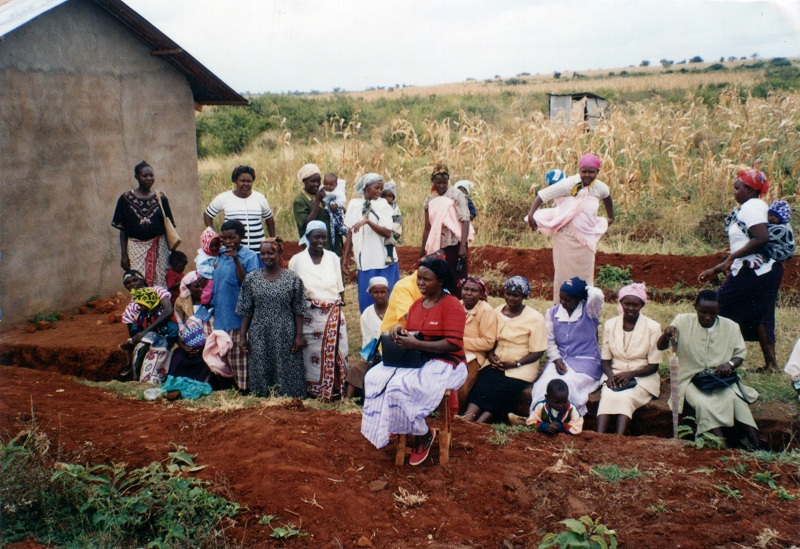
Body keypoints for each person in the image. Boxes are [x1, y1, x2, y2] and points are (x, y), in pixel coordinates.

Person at [361, 258, 468, 467]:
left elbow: (453, 344)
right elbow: (414, 333)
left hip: (448, 362)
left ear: (440, 281)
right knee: (374, 377)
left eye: (426, 279)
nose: (420, 283)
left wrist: (415, 343)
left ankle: (422, 434)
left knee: (402, 387)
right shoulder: (417, 305)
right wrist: (399, 332)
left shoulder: (452, 305)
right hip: (420, 359)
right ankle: (398, 424)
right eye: (418, 278)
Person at [699, 169, 783, 371]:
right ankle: (771, 365)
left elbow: (761, 238)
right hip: (759, 269)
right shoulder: (752, 207)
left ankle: (710, 358)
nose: (734, 192)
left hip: (755, 271)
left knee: (718, 307)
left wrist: (731, 258)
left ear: (749, 188)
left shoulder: (752, 207)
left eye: (737, 188)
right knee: (761, 316)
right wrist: (719, 267)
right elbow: (743, 244)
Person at [657, 290, 760, 448]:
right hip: (690, 379)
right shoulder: (682, 321)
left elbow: (740, 355)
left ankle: (757, 445)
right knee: (703, 404)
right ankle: (723, 448)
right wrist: (666, 334)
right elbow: (661, 346)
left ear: (719, 310)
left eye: (713, 313)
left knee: (737, 400)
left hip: (719, 379)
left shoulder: (731, 327)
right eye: (703, 312)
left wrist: (729, 365)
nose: (707, 317)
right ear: (695, 307)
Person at [526, 155, 614, 302]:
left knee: (585, 277)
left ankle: (584, 309)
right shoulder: (569, 184)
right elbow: (543, 195)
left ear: (597, 172)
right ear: (579, 170)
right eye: (583, 171)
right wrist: (531, 214)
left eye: (591, 172)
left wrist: (611, 218)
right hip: (565, 238)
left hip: (586, 241)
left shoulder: (600, 188)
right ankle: (561, 309)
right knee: (563, 276)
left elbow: (607, 199)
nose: (587, 175)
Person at [463, 276, 546, 423]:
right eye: (508, 293)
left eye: (516, 295)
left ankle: (480, 423)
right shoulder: (497, 311)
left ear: (524, 296)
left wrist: (516, 364)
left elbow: (537, 351)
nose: (511, 298)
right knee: (481, 383)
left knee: (501, 389)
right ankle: (468, 419)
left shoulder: (535, 318)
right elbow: (490, 339)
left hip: (520, 367)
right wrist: (490, 355)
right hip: (496, 362)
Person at [237, 238, 307, 398]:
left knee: (287, 364)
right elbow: (246, 310)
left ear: (280, 253)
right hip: (260, 331)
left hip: (285, 330)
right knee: (261, 363)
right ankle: (264, 397)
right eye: (262, 253)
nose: (266, 257)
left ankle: (289, 397)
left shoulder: (292, 279)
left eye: (270, 252)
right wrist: (242, 337)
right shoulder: (252, 279)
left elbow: (299, 310)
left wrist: (299, 335)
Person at [288, 221, 349, 400]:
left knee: (339, 350)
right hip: (309, 315)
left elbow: (340, 288)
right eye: (316, 237)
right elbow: (294, 291)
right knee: (311, 352)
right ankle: (314, 390)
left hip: (333, 312)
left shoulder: (333, 258)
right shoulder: (296, 260)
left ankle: (335, 389)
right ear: (307, 238)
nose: (320, 241)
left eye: (323, 237)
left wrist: (338, 311)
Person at [530, 277, 604, 415]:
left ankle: (565, 419)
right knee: (544, 385)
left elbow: (597, 295)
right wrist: (556, 359)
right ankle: (537, 417)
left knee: (568, 384)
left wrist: (584, 288)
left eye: (567, 299)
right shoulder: (552, 313)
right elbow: (550, 341)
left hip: (585, 362)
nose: (562, 302)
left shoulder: (590, 311)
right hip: (560, 360)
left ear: (579, 299)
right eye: (561, 298)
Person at [596, 283, 663, 435]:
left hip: (642, 378)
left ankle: (619, 439)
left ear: (642, 305)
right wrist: (611, 376)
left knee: (625, 397)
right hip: (616, 375)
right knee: (607, 395)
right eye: (627, 304)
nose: (631, 308)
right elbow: (605, 360)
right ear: (620, 303)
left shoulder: (653, 327)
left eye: (635, 305)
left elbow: (654, 366)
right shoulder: (610, 324)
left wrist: (630, 374)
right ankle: (598, 438)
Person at [210, 220, 260, 392]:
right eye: (225, 237)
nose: (228, 241)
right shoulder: (219, 255)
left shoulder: (250, 256)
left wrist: (236, 259)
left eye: (233, 237)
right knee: (221, 357)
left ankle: (244, 391)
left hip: (237, 316)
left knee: (239, 357)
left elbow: (248, 284)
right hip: (220, 315)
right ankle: (226, 389)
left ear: (242, 237)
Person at [112, 161, 175, 288]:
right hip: (136, 248)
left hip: (160, 248)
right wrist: (124, 255)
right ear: (136, 177)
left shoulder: (160, 198)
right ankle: (143, 308)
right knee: (138, 281)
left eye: (151, 175)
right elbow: (122, 229)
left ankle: (162, 307)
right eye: (144, 176)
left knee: (161, 280)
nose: (149, 178)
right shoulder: (125, 199)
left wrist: (173, 252)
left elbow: (169, 228)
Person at [343, 173, 400, 313]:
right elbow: (350, 232)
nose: (379, 192)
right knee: (367, 298)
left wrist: (368, 222)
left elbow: (387, 232)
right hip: (366, 260)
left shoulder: (383, 205)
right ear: (366, 187)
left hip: (384, 259)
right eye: (376, 188)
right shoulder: (354, 205)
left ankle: (388, 330)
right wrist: (345, 257)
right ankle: (369, 329)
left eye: (381, 189)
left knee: (387, 297)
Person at [420, 164, 473, 286]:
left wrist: (462, 246)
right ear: (433, 181)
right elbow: (427, 228)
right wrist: (423, 250)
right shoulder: (430, 199)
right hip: (437, 245)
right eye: (438, 182)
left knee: (456, 277)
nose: (442, 186)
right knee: (439, 278)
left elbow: (465, 220)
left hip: (455, 243)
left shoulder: (456, 195)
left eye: (445, 182)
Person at [120, 270, 177, 383]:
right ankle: (139, 377)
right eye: (127, 283)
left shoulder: (156, 291)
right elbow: (133, 333)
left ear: (142, 280)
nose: (132, 284)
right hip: (148, 341)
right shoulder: (130, 309)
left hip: (168, 336)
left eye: (135, 280)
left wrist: (145, 331)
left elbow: (168, 311)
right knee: (141, 350)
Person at [203, 165, 276, 254]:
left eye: (249, 181)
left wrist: (273, 238)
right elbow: (208, 214)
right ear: (235, 181)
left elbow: (269, 218)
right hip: (234, 251)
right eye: (242, 181)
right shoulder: (224, 198)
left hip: (257, 250)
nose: (246, 184)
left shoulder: (260, 198)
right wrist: (213, 234)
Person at [455, 277, 498, 413]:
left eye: (474, 290)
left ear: (481, 294)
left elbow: (488, 342)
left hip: (474, 355)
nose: (468, 293)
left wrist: (459, 342)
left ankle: (456, 415)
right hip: (452, 350)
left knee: (460, 384)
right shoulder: (456, 305)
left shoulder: (486, 311)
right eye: (465, 289)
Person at [378, 250, 447, 335]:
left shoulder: (439, 285)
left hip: (420, 336)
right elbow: (410, 317)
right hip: (395, 338)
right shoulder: (403, 286)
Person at [345, 276, 390, 398]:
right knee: (356, 368)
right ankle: (346, 402)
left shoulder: (394, 310)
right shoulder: (367, 314)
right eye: (375, 292)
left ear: (388, 292)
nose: (379, 295)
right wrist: (373, 356)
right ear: (370, 293)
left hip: (393, 352)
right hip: (374, 353)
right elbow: (367, 340)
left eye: (382, 292)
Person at [293, 163, 343, 256]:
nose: (316, 184)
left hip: (332, 244)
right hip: (315, 247)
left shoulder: (324, 194)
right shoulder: (300, 201)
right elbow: (307, 223)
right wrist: (317, 201)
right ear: (304, 181)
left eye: (319, 181)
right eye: (313, 181)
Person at [194, 227, 222, 305]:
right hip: (205, 275)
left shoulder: (217, 252)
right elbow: (202, 268)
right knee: (208, 288)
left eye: (217, 245)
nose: (214, 248)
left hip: (212, 274)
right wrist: (214, 269)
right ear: (205, 245)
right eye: (212, 246)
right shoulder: (203, 256)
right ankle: (205, 303)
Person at [322, 172, 348, 247]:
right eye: (326, 184)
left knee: (339, 224)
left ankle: (343, 232)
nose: (328, 186)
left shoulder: (338, 192)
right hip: (327, 211)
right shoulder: (323, 190)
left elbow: (342, 200)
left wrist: (337, 204)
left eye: (331, 185)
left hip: (336, 210)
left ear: (336, 185)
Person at [382, 180, 403, 262]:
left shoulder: (394, 208)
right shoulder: (381, 206)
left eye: (390, 196)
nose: (387, 198)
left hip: (393, 230)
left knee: (389, 239)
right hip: (382, 228)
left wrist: (390, 230)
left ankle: (390, 256)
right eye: (384, 196)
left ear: (394, 197)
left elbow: (397, 222)